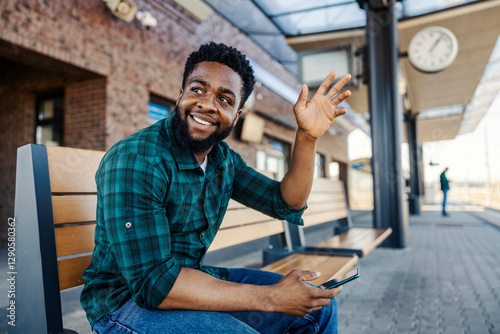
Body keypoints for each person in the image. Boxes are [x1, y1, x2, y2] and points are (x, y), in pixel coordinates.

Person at [80, 42, 352, 334]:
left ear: (236, 116)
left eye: (224, 99)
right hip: (124, 303)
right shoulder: (137, 160)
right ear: (180, 95)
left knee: (318, 308)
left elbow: (285, 201)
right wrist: (273, 298)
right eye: (197, 89)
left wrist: (308, 137)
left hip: (188, 281)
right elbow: (152, 284)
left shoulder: (223, 161)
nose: (208, 104)